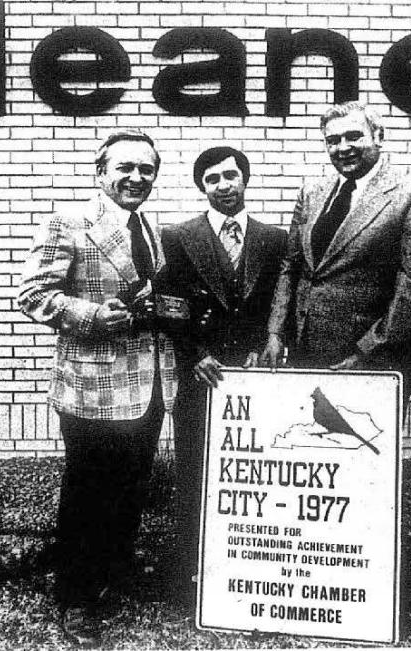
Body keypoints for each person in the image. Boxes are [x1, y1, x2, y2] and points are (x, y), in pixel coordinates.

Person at [17, 131, 177, 645]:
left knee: (131, 490)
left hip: (148, 383)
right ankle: (76, 598)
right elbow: (32, 293)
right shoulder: (69, 221)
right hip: (92, 387)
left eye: (146, 170)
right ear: (99, 172)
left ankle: (112, 574)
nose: (136, 178)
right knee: (88, 493)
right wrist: (88, 316)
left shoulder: (147, 227)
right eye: (125, 168)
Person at [157, 146, 288, 595]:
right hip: (202, 375)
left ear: (245, 180)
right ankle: (192, 574)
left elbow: (279, 301)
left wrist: (265, 346)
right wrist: (195, 354)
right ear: (202, 188)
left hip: (254, 375)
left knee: (253, 473)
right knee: (197, 469)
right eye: (211, 179)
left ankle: (247, 569)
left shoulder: (274, 239)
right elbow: (169, 306)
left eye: (231, 176)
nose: (223, 186)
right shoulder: (176, 237)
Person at [257, 101, 411, 391]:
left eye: (353, 136)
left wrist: (366, 350)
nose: (342, 147)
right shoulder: (311, 192)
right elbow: (291, 266)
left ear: (378, 137)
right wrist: (275, 333)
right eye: (332, 141)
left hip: (369, 361)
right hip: (304, 356)